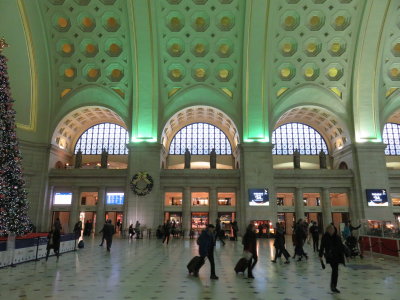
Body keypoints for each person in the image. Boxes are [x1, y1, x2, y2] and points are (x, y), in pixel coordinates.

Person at [319, 224, 348, 293]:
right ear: (328, 230)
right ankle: (333, 286)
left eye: (333, 229)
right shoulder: (325, 237)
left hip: (337, 255)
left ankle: (333, 285)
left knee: (335, 271)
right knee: (335, 270)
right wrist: (320, 255)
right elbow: (322, 246)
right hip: (330, 256)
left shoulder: (337, 237)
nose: (332, 231)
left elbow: (341, 246)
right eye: (330, 230)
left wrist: (346, 255)